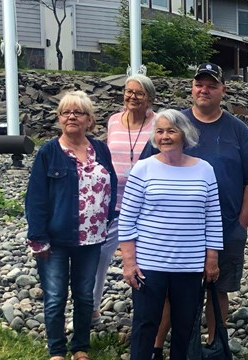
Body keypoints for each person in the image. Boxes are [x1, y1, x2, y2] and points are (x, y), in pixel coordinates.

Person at [143, 63, 248, 357]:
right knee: (172, 294)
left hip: (225, 228)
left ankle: (214, 346)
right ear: (192, 87)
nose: (204, 89)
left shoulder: (237, 130)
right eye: (200, 84)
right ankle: (157, 346)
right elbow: (146, 170)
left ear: (222, 90)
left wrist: (241, 222)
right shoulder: (173, 123)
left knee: (218, 289)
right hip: (177, 231)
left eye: (212, 85)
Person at [118, 109, 222, 360]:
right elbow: (127, 219)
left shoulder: (205, 170)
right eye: (160, 131)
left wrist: (212, 259)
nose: (165, 136)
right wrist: (129, 262)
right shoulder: (143, 169)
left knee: (185, 327)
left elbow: (213, 218)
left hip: (189, 264)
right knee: (145, 324)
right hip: (149, 264)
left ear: (184, 135)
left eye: (171, 131)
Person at [25, 91, 117, 360]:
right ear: (59, 118)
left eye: (78, 112)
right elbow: (36, 197)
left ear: (90, 120)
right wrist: (37, 237)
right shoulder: (49, 152)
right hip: (56, 239)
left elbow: (110, 186)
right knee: (55, 298)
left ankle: (80, 347)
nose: (72, 117)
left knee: (85, 296)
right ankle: (56, 350)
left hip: (92, 239)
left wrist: (107, 218)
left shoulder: (100, 149)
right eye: (66, 112)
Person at [92, 74, 156, 325]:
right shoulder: (113, 121)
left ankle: (146, 316)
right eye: (129, 91)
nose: (132, 97)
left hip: (146, 205)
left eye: (139, 93)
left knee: (144, 261)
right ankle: (92, 309)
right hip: (113, 203)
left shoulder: (157, 122)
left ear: (150, 98)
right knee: (99, 256)